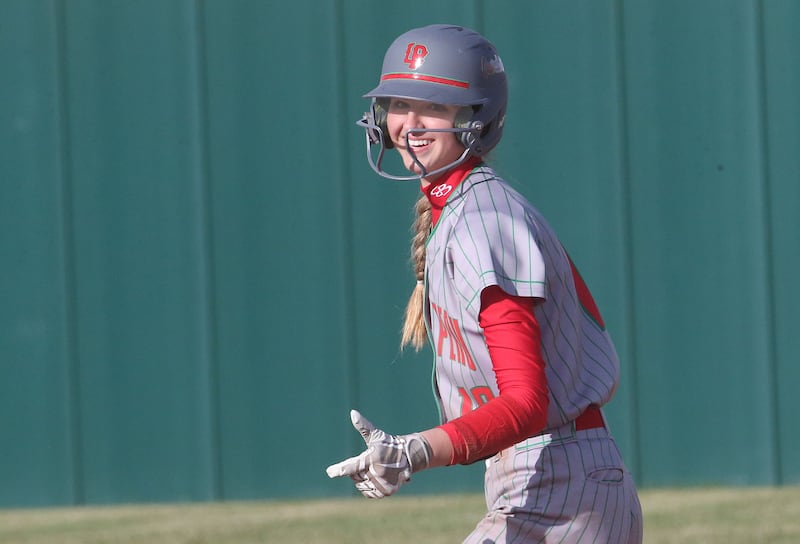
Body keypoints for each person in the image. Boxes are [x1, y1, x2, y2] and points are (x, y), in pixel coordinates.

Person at [326, 23, 643, 543]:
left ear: (476, 118)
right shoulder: (456, 210)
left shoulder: (480, 218)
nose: (410, 123)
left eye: (434, 107)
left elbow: (525, 401)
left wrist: (414, 451)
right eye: (399, 104)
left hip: (560, 480)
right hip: (547, 475)